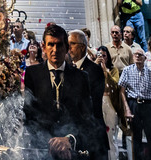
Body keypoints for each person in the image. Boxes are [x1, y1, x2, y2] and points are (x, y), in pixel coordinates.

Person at [23, 23, 100, 159]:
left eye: (59, 45)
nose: (55, 50)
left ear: (67, 47)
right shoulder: (32, 74)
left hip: (72, 152)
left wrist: (69, 140)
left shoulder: (81, 77)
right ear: (44, 47)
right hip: (42, 150)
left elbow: (87, 118)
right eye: (50, 45)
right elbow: (29, 116)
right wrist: (50, 142)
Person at [120, 46, 151, 160]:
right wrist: (127, 108)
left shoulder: (150, 73)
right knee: (136, 136)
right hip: (134, 104)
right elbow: (121, 91)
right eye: (135, 54)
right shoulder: (127, 70)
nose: (137, 56)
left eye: (140, 55)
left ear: (145, 58)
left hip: (148, 105)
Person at [69, 30, 108, 156]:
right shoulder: (68, 69)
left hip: (92, 134)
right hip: (75, 133)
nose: (68, 48)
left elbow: (92, 103)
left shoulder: (94, 70)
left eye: (72, 44)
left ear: (82, 47)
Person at [97, 46, 127, 160]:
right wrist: (96, 65)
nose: (102, 58)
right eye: (100, 56)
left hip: (110, 101)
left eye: (104, 56)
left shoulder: (113, 70)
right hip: (98, 101)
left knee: (111, 136)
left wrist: (105, 71)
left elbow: (115, 84)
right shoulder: (93, 68)